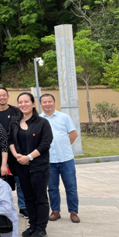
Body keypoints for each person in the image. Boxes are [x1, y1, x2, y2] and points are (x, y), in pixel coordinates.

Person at [8, 92, 53, 237]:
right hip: (21, 166)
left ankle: (41, 227)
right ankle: (32, 224)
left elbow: (45, 144)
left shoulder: (42, 123)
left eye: (26, 101)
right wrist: (17, 155)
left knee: (40, 197)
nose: (23, 105)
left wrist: (29, 157)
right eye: (20, 102)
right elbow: (10, 140)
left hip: (39, 166)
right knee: (28, 197)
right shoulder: (14, 122)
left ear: (33, 104)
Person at [40, 94, 81, 223]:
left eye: (49, 101)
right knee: (52, 188)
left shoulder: (64, 117)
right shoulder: (39, 119)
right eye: (44, 102)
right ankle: (55, 211)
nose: (47, 104)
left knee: (71, 187)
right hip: (49, 160)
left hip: (66, 159)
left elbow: (73, 134)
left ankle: (73, 212)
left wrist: (64, 146)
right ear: (40, 104)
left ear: (54, 102)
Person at [0, 87, 27, 218]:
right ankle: (0, 207)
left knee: (19, 179)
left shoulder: (16, 111)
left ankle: (23, 206)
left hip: (15, 150)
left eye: (4, 95)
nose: (1, 97)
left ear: (8, 96)